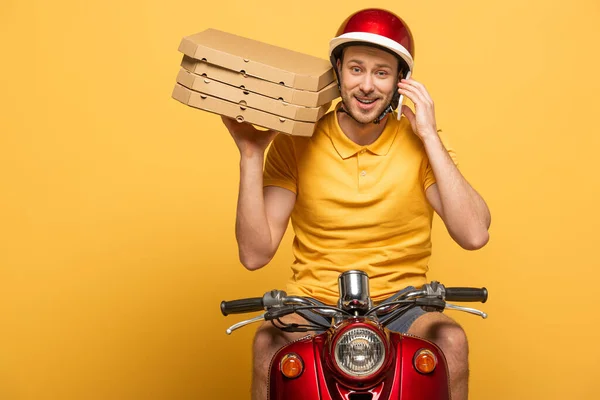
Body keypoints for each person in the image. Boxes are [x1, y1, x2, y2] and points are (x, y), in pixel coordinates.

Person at [221, 8, 491, 400]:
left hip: (403, 305)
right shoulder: (297, 141)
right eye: (356, 69)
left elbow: (474, 233)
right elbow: (254, 253)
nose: (367, 85)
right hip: (315, 304)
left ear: (401, 82)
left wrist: (430, 136)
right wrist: (250, 154)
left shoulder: (421, 144)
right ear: (337, 72)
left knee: (450, 339)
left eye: (382, 72)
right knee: (268, 343)